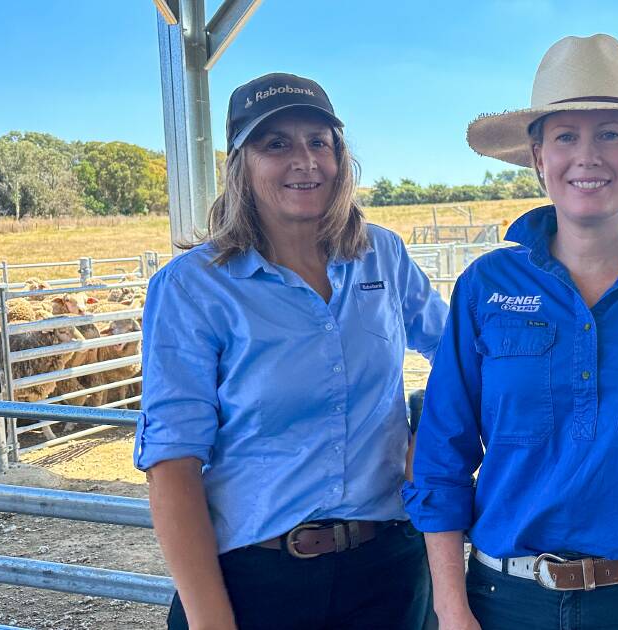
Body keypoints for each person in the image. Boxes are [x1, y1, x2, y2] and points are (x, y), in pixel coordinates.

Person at [403, 34, 618, 630]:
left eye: (610, 134)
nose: (587, 156)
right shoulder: (486, 286)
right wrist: (452, 609)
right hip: (503, 599)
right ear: (539, 157)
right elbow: (442, 456)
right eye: (566, 136)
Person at [134, 72, 447, 630]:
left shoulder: (383, 256)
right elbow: (172, 462)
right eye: (275, 144)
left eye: (318, 141)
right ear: (240, 165)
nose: (304, 160)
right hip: (255, 578)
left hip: (388, 569)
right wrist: (211, 621)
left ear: (340, 155)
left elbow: (459, 359)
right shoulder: (192, 287)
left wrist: (426, 426)